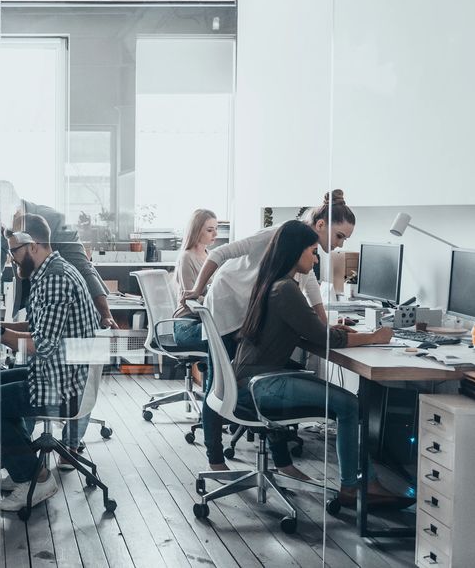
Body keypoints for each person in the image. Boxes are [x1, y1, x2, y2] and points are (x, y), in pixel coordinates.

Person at [233, 220, 408, 508]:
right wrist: (374, 337)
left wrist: (341, 332)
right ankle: (356, 486)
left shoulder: (274, 283)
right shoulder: (284, 289)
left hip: (251, 380)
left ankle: (361, 482)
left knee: (347, 404)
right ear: (295, 252)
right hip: (261, 385)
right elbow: (325, 339)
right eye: (313, 252)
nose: (316, 259)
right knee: (349, 405)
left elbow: (315, 330)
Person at [184, 190, 356, 473]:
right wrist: (198, 289)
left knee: (271, 369)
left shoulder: (303, 251)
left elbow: (312, 293)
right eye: (339, 236)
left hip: (251, 310)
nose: (339, 245)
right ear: (322, 225)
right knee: (220, 384)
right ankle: (215, 459)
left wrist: (323, 328)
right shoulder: (281, 235)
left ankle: (282, 462)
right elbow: (220, 253)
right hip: (228, 306)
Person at [0, 214, 101, 512]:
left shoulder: (54, 279)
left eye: (14, 251)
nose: (11, 258)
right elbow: (38, 328)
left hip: (63, 386)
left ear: (34, 246)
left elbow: (41, 345)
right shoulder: (51, 271)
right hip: (65, 373)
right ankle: (26, 465)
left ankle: (35, 477)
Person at [0, 181, 116, 329]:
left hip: (67, 302)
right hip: (32, 299)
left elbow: (83, 268)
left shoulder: (55, 220)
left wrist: (106, 315)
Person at [170, 208, 219, 386]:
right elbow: (192, 302)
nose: (215, 233)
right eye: (209, 229)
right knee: (223, 338)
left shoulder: (212, 257)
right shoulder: (187, 257)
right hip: (186, 325)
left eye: (216, 228)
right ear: (197, 230)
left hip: (205, 321)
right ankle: (213, 397)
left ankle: (220, 395)